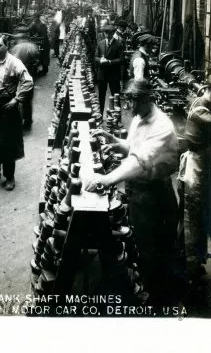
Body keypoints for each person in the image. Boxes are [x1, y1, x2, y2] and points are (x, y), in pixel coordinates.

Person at [85, 79, 179, 306]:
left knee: (153, 250)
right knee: (141, 244)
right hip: (139, 193)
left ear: (150, 97)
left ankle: (157, 305)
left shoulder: (163, 127)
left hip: (154, 197)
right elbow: (135, 149)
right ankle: (150, 288)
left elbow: (140, 162)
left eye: (135, 100)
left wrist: (106, 180)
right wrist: (117, 142)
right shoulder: (140, 116)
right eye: (129, 100)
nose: (130, 107)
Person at [0, 34, 34, 191]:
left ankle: (9, 177)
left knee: (8, 144)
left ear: (6, 46)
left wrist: (17, 99)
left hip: (6, 110)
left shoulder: (14, 63)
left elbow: (28, 81)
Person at [179, 75, 211, 302]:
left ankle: (195, 260)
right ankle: (191, 270)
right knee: (193, 215)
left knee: (197, 213)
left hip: (200, 164)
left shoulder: (201, 101)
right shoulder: (203, 111)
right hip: (195, 168)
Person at [8, 33, 39, 130]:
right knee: (27, 99)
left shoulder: (16, 48)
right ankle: (28, 121)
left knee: (17, 98)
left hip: (19, 76)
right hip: (29, 76)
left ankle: (17, 121)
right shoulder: (32, 46)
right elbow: (37, 60)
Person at [95, 23, 124, 116]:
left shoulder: (118, 44)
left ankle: (117, 118)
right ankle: (100, 116)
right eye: (106, 33)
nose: (107, 35)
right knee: (101, 97)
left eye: (110, 33)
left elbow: (121, 59)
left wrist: (110, 62)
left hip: (113, 74)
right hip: (102, 74)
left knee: (116, 96)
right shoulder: (101, 43)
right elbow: (95, 57)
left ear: (113, 33)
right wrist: (100, 60)